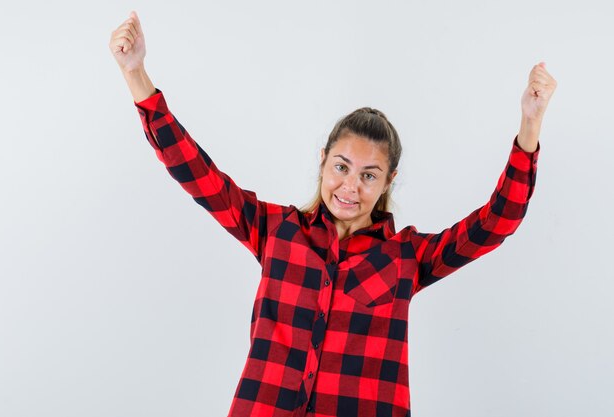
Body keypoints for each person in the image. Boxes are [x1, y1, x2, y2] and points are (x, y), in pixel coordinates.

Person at [109, 10, 556, 417]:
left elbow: (499, 220)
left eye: (368, 175)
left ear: (388, 181)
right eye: (341, 167)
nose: (350, 186)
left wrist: (530, 126)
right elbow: (196, 173)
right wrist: (137, 74)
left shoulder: (406, 259)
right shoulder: (276, 231)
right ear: (323, 161)